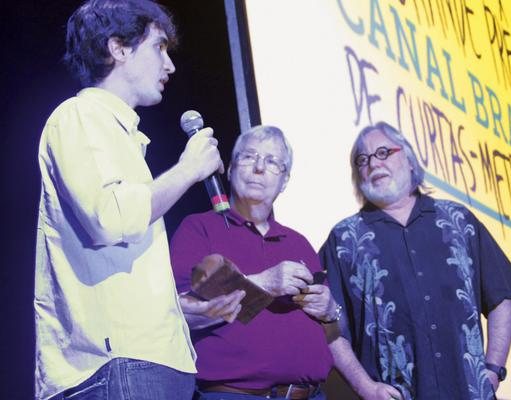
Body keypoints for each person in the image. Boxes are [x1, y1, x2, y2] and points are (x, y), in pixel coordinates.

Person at [34, 1, 225, 399]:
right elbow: (112, 218)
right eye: (158, 47)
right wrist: (188, 170)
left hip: (148, 360)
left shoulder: (121, 135)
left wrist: (181, 309)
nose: (170, 66)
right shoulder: (79, 116)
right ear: (118, 48)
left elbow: (121, 264)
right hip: (117, 365)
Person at [319, 122, 511, 400]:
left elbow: (501, 295)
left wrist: (493, 369)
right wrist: (365, 388)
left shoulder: (457, 221)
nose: (373, 163)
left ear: (408, 160)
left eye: (383, 152)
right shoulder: (344, 239)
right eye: (363, 159)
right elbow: (327, 327)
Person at [170, 125, 338, 400]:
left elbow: (332, 335)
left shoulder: (299, 242)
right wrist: (263, 284)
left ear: (285, 181)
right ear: (231, 168)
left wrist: (331, 312)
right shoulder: (200, 228)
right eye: (249, 157)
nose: (259, 167)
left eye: (273, 162)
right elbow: (178, 313)